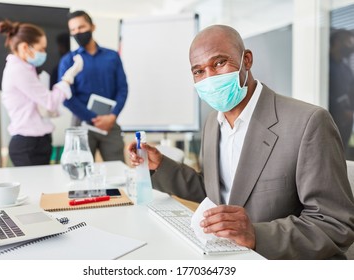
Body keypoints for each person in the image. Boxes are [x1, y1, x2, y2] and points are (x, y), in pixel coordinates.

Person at [129, 25, 354, 259]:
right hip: (225, 255)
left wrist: (256, 234)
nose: (210, 78)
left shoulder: (308, 122)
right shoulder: (212, 123)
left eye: (219, 63)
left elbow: (335, 225)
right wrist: (160, 166)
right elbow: (217, 192)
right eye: (199, 71)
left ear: (246, 60)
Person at [0, 19, 83, 166]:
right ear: (25, 47)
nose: (44, 53)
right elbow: (50, 102)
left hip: (38, 141)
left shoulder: (26, 69)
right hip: (27, 144)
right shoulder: (18, 70)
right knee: (34, 188)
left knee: (41, 187)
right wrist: (68, 78)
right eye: (41, 49)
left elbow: (39, 104)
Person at [58, 10, 128, 162]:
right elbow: (66, 97)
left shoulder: (112, 56)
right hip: (81, 124)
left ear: (92, 27)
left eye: (81, 27)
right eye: (73, 30)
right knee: (80, 174)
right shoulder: (68, 61)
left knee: (117, 171)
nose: (77, 32)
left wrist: (112, 116)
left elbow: (122, 88)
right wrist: (94, 118)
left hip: (110, 122)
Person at [329, 29, 354, 157]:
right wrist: (341, 111)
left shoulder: (346, 69)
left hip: (346, 123)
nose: (351, 44)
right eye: (348, 41)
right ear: (338, 41)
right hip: (331, 120)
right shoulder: (324, 66)